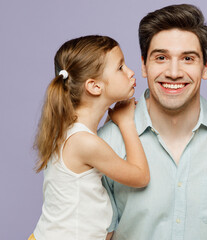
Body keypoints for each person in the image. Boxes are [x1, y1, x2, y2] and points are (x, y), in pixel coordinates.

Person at [98, 4, 207, 240]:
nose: (173, 72)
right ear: (143, 65)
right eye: (161, 57)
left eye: (188, 59)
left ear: (206, 67)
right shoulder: (107, 143)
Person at [29, 35, 150, 240]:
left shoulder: (73, 133)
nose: (130, 72)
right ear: (94, 86)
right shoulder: (84, 142)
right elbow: (140, 177)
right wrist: (127, 123)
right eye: (120, 67)